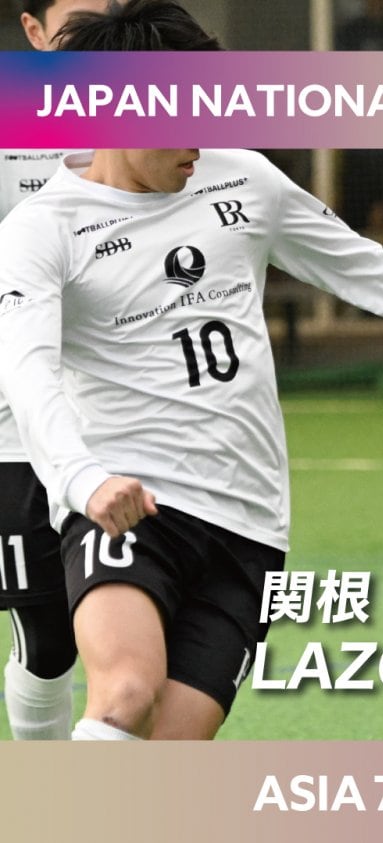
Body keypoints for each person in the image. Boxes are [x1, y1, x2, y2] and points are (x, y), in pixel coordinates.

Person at [0, 0, 383, 741]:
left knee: (163, 755)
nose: (198, 140)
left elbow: (365, 267)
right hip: (129, 499)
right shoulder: (43, 228)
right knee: (125, 693)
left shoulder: (245, 179)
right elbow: (28, 368)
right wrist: (82, 480)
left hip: (248, 518)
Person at [0, 0, 110, 742]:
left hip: (119, 419)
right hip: (15, 425)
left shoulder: (156, 122)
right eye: (81, 18)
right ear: (34, 32)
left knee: (125, 634)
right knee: (47, 641)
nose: (103, 31)